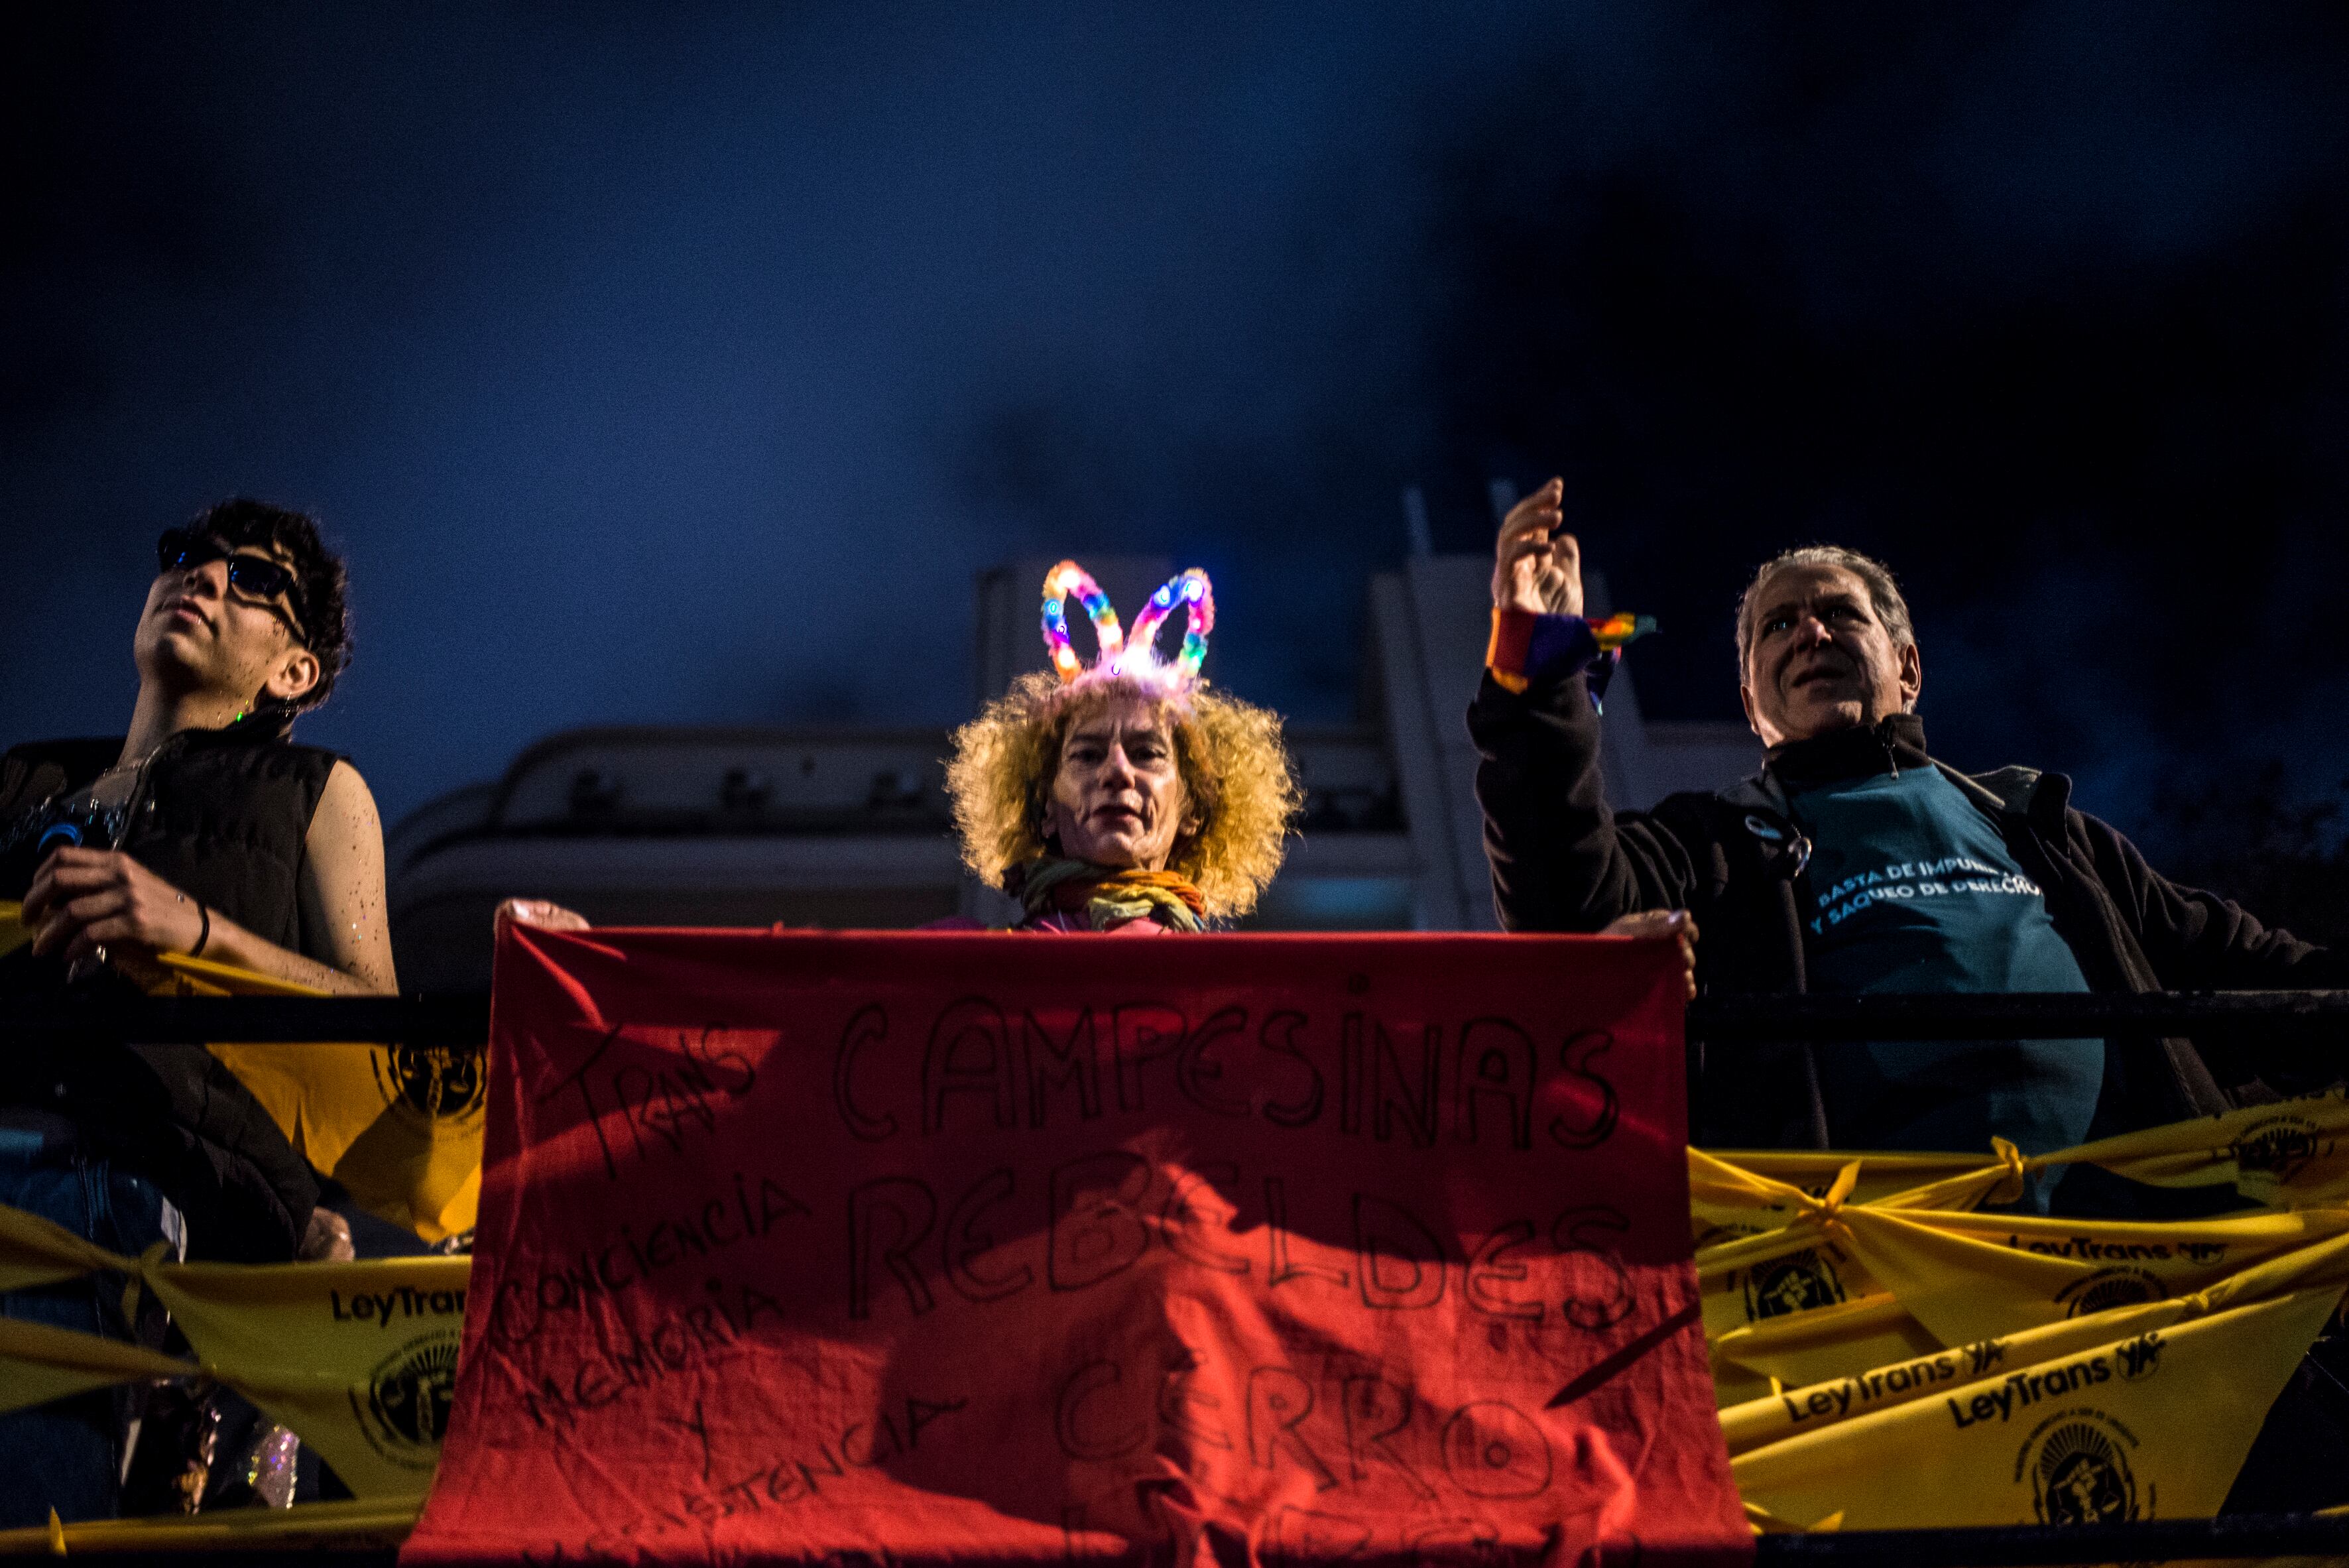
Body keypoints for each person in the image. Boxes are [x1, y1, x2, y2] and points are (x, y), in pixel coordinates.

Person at [1470, 477, 2336, 1164]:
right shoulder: (1709, 843)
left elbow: (2259, 978)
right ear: (1749, 701)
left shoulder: (2044, 830)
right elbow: (1564, 909)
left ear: (1907, 666)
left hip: (2154, 1285)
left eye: (1837, 613)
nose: (1807, 632)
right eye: (1777, 625)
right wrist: (1538, 687)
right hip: (1865, 1317)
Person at [0, 498, 396, 1524]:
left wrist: (197, 934)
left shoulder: (313, 790)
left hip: (143, 1215)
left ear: (292, 671)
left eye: (256, 581)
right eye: (188, 557)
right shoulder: (22, 778)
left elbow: (380, 1035)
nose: (206, 578)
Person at [945, 562, 1300, 932]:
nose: (1117, 771)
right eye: (1086, 755)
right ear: (1046, 807)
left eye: (1146, 753)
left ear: (1192, 807)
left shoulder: (1241, 979)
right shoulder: (958, 962)